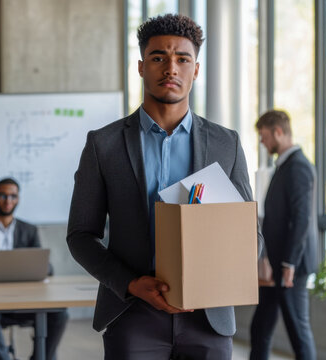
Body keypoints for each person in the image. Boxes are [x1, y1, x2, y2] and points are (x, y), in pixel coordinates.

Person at [67, 13, 263, 359]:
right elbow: (81, 235)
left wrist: (219, 275)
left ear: (196, 71)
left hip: (209, 318)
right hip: (132, 314)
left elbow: (250, 235)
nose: (170, 68)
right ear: (142, 67)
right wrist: (130, 284)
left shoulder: (225, 143)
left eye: (182, 59)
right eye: (158, 57)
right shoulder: (104, 144)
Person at [0, 177, 68, 360]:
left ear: (18, 198)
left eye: (13, 196)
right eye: (3, 195)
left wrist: (36, 269)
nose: (8, 201)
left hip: (24, 300)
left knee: (59, 314)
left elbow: (46, 267)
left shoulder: (29, 230)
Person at [249, 110, 317, 360]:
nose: (262, 142)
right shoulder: (285, 165)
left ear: (278, 132)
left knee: (298, 331)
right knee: (260, 329)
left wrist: (289, 263)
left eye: (264, 135)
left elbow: (301, 220)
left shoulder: (298, 167)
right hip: (278, 265)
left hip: (291, 268)